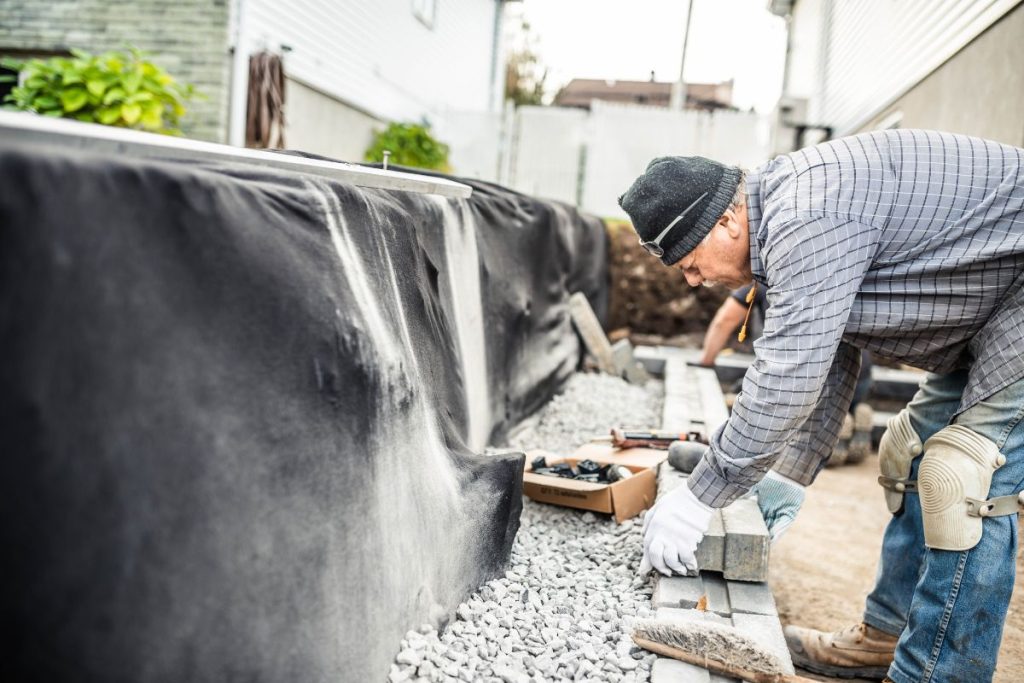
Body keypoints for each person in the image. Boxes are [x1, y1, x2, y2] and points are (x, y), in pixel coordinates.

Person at [618, 129, 1024, 683]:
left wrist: (699, 499)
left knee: (965, 477)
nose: (695, 280)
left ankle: (938, 674)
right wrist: (790, 474)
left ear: (726, 222)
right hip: (994, 299)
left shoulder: (805, 215)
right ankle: (886, 635)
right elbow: (830, 353)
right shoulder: (785, 218)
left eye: (690, 261)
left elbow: (789, 374)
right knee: (911, 454)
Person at [699, 284, 875, 466]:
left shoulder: (758, 282)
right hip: (859, 375)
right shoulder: (824, 274)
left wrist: (706, 362)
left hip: (815, 381)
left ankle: (832, 426)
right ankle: (850, 412)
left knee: (777, 402)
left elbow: (724, 321)